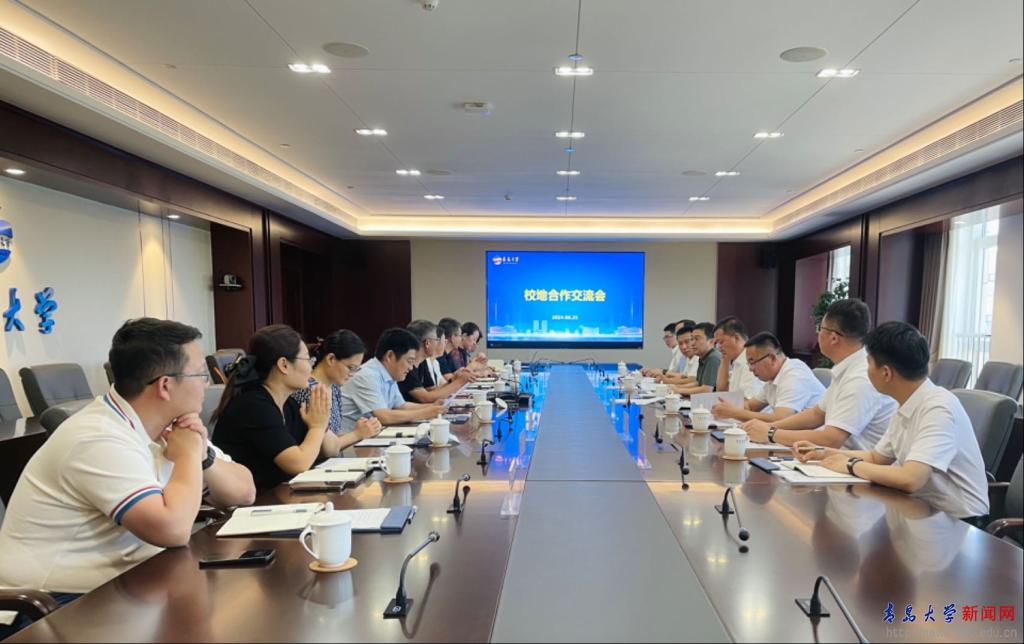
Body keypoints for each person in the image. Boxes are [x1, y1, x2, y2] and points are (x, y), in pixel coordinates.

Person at [0, 318, 255, 599]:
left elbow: (245, 492)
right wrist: (188, 456)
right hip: (53, 602)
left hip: (132, 582)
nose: (206, 384)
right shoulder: (97, 437)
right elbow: (173, 530)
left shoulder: (175, 426)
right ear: (165, 386)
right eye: (200, 374)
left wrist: (202, 457)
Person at [793, 321, 988, 519]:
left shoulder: (939, 408)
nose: (866, 371)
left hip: (959, 522)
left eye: (868, 364)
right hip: (919, 511)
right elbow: (877, 458)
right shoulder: (906, 402)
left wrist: (850, 465)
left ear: (886, 373)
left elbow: (911, 479)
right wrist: (824, 453)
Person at [213, 325, 355, 491]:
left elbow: (331, 449)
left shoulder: (289, 404)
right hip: (255, 502)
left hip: (280, 496)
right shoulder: (253, 405)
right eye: (308, 360)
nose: (311, 368)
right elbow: (298, 464)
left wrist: (321, 422)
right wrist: (317, 427)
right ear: (284, 365)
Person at [742, 299, 897, 449]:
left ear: (834, 338)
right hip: (835, 457)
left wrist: (771, 433)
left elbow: (831, 439)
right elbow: (817, 414)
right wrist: (770, 427)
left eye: (820, 329)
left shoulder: (860, 377)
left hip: (857, 462)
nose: (818, 334)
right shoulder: (847, 368)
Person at [291, 329, 383, 451]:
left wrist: (365, 429)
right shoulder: (310, 390)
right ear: (331, 359)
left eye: (356, 369)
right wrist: (357, 434)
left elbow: (333, 436)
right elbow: (324, 448)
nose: (352, 374)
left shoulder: (334, 387)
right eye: (351, 368)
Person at [340, 327, 445, 431]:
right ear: (390, 356)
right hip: (349, 439)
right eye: (409, 361)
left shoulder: (389, 374)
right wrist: (425, 413)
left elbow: (401, 406)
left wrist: (433, 406)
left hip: (369, 435)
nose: (411, 367)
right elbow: (383, 416)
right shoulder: (367, 375)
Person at [712, 331, 824, 423]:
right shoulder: (772, 379)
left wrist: (735, 413)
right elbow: (750, 406)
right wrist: (726, 407)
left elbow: (781, 419)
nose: (750, 369)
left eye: (752, 362)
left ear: (772, 358)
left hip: (813, 439)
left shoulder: (794, 374)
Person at [399, 320, 473, 403]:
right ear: (427, 343)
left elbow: (432, 391)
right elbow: (425, 398)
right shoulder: (408, 367)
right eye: (437, 340)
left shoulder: (422, 363)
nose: (439, 344)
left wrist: (453, 379)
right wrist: (459, 382)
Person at [713, 316, 764, 400]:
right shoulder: (737, 361)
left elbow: (749, 401)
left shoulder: (751, 362)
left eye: (721, 342)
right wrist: (725, 359)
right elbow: (721, 391)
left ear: (736, 338)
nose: (719, 348)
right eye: (717, 344)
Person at [670, 322, 721, 395]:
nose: (692, 343)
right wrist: (676, 387)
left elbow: (706, 390)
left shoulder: (713, 358)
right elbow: (698, 383)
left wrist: (679, 390)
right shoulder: (703, 357)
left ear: (711, 341)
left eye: (697, 339)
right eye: (692, 339)